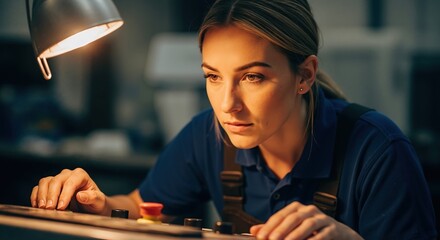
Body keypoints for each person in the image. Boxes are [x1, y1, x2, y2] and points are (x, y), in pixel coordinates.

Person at [30, 0, 437, 239]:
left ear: (305, 76)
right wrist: (94, 204)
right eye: (213, 77)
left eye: (253, 77)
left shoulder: (378, 151)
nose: (227, 105)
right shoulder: (207, 137)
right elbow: (140, 207)